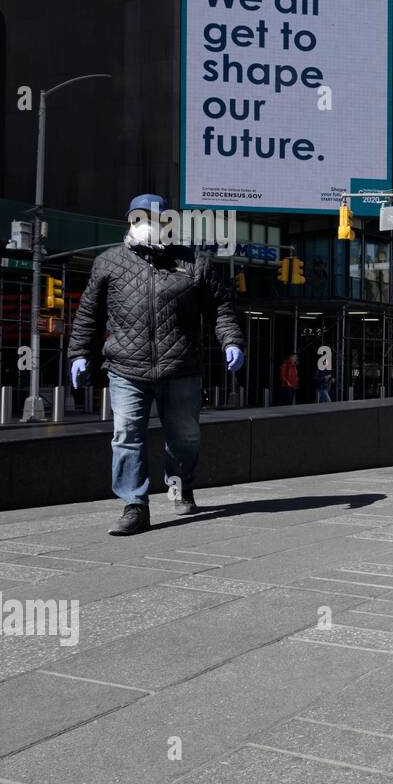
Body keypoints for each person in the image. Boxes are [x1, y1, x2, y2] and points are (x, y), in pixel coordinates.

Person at [68, 193, 244, 536]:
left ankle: (180, 486)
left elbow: (221, 309)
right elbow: (89, 314)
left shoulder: (195, 263)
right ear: (132, 222)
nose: (153, 224)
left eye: (161, 219)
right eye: (145, 218)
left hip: (180, 368)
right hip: (125, 368)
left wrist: (232, 341)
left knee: (184, 439)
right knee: (126, 436)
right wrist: (79, 354)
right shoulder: (109, 263)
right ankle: (134, 505)